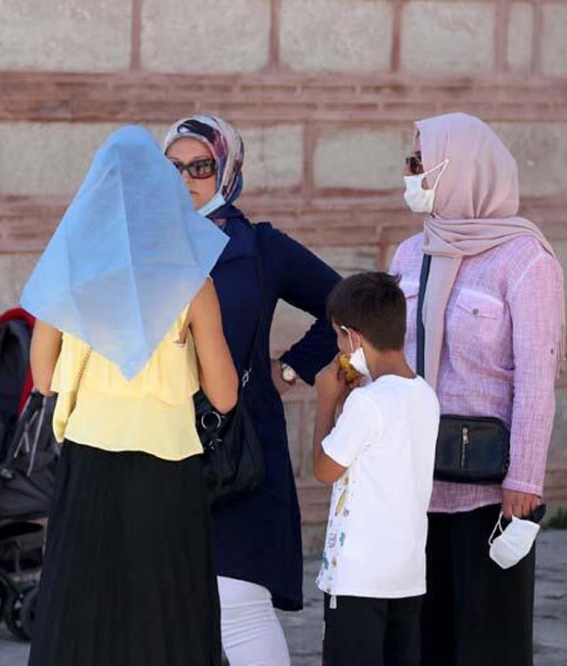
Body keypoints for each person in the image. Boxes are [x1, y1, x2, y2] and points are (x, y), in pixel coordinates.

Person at [25, 126, 238, 666]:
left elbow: (44, 377)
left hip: (89, 460)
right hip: (168, 467)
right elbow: (224, 393)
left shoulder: (72, 266)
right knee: (164, 610)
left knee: (83, 607)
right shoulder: (192, 279)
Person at [388, 112, 565, 666]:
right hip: (414, 482)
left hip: (488, 487)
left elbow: (539, 375)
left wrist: (525, 480)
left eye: (420, 164)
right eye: (410, 162)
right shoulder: (409, 254)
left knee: (488, 639)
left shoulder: (525, 260)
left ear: (459, 168)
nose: (410, 174)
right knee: (422, 637)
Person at [164, 114, 340, 665]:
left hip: (237, 447)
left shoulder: (258, 247)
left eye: (200, 166)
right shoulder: (142, 242)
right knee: (171, 603)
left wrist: (290, 370)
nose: (185, 180)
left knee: (237, 599)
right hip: (159, 442)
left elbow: (344, 302)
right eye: (172, 168)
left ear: (227, 170)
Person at [312, 272, 440, 666]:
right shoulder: (424, 394)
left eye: (338, 337)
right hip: (406, 576)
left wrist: (325, 401)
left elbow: (324, 469)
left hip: (356, 580)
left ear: (353, 337)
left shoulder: (366, 404)